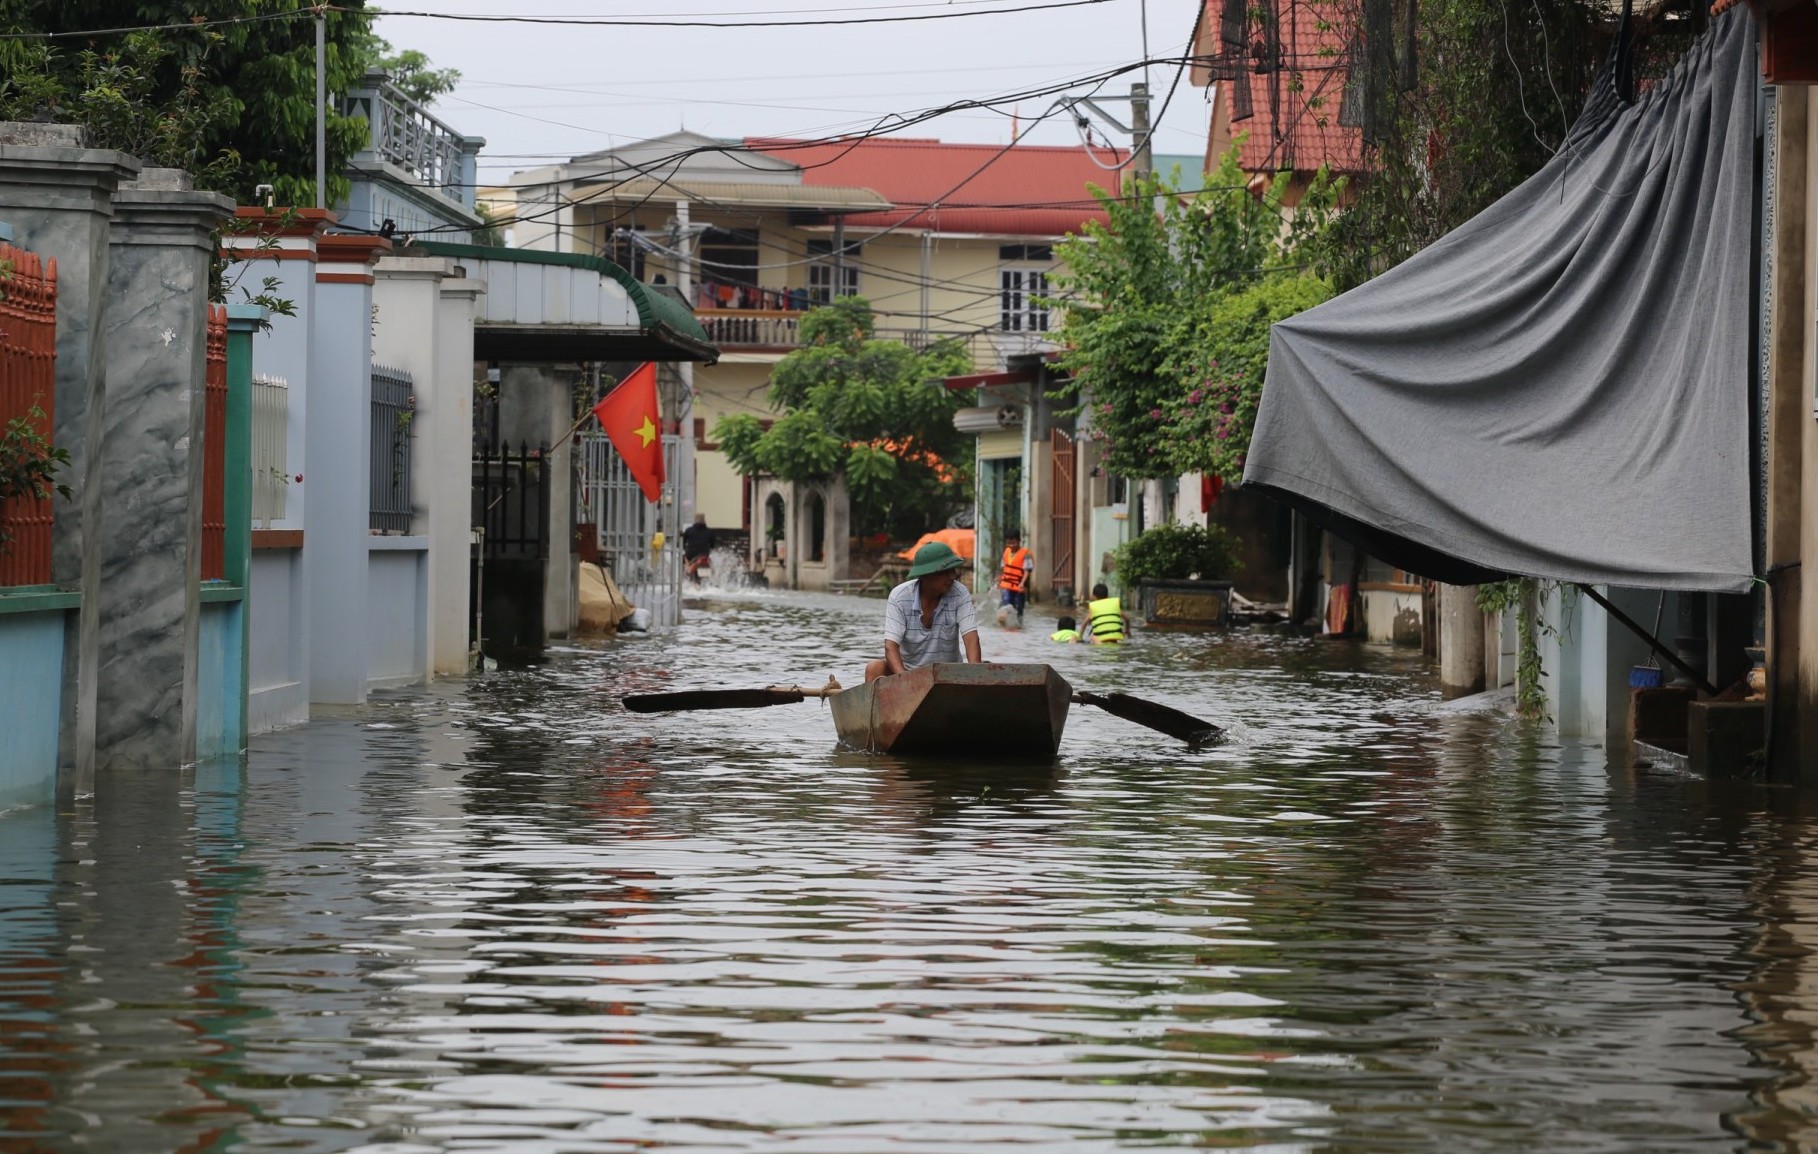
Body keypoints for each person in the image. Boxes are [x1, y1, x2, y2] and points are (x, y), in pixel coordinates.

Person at [865, 541, 982, 682]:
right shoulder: (900, 597)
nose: (952, 576)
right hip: (909, 673)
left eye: (953, 570)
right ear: (926, 575)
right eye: (945, 572)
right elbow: (891, 647)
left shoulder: (959, 593)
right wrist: (907, 682)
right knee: (874, 668)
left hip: (947, 674)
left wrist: (976, 677)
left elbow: (971, 639)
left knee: (979, 669)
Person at [998, 530, 1033, 625]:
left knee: (1019, 609)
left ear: (1019, 541)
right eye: (1009, 543)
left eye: (1013, 543)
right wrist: (1000, 580)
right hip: (1007, 586)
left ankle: (1018, 625)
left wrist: (1022, 583)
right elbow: (1004, 568)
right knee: (1006, 604)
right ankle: (1005, 624)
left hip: (1019, 587)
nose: (1011, 545)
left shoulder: (1026, 554)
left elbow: (1027, 571)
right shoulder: (1006, 552)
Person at [682, 513, 713, 583]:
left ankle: (685, 579)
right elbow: (712, 545)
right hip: (704, 556)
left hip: (691, 556)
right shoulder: (710, 532)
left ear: (695, 520)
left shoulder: (689, 530)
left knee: (683, 560)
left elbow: (682, 543)